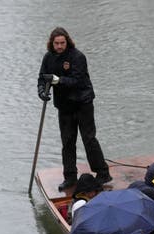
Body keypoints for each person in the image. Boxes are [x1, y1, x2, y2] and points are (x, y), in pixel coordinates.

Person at [37, 27, 112, 192]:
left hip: (82, 103)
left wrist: (58, 81)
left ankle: (102, 173)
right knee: (67, 142)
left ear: (67, 42)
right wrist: (42, 91)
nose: (59, 46)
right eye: (56, 43)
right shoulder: (48, 58)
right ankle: (70, 177)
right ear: (52, 43)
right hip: (64, 107)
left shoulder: (77, 57)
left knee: (89, 139)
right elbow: (42, 77)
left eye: (62, 43)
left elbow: (77, 81)